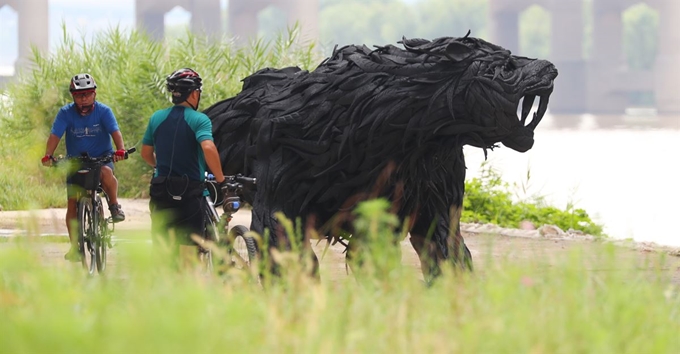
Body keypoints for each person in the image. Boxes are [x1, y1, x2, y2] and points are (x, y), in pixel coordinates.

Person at [140, 68, 226, 265]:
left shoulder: (156, 118)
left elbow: (145, 153)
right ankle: (185, 289)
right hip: (190, 193)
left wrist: (159, 166)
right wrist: (220, 179)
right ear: (194, 93)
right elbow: (208, 147)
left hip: (161, 190)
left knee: (162, 248)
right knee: (189, 252)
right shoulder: (199, 119)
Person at [41, 73, 128, 262]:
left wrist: (120, 150)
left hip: (101, 159)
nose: (84, 99)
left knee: (106, 172)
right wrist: (48, 155)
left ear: (94, 94)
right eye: (79, 95)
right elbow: (55, 136)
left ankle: (113, 205)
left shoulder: (104, 112)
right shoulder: (65, 113)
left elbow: (115, 131)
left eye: (88, 94)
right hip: (75, 162)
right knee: (72, 203)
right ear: (72, 95)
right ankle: (74, 247)